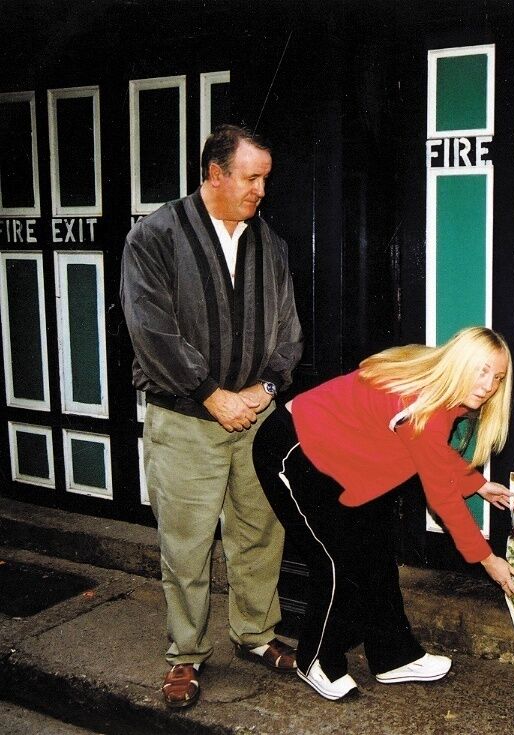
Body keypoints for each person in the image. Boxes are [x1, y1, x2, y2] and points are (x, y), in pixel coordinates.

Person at [121, 124, 304, 709]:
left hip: (256, 415)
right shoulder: (154, 237)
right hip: (184, 419)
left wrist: (265, 387)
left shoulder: (267, 243)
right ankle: (186, 655)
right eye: (251, 178)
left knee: (259, 532)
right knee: (187, 544)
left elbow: (289, 333)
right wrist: (210, 394)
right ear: (215, 174)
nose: (261, 190)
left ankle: (254, 633)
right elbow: (152, 332)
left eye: (266, 179)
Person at [251, 326, 514, 700]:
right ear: (460, 362)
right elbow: (441, 494)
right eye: (482, 370)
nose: (489, 385)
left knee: (376, 555)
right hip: (294, 449)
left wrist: (475, 483)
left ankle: (393, 656)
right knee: (335, 561)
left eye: (498, 377)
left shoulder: (443, 391)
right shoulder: (420, 404)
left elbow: (433, 455)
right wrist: (488, 560)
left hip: (341, 460)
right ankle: (316, 659)